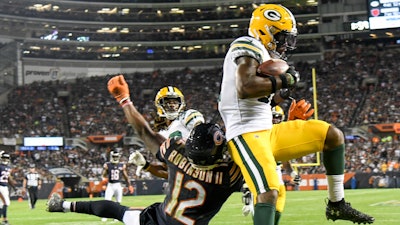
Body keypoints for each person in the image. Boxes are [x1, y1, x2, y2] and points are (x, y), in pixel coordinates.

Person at [218, 4, 374, 225]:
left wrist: (286, 105)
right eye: (282, 37)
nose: (284, 44)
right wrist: (285, 80)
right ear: (266, 30)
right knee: (271, 192)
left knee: (332, 135)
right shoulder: (247, 44)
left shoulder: (265, 56)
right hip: (245, 133)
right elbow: (246, 88)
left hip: (267, 131)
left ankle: (337, 205)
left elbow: (264, 99)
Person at [47, 123, 243, 225]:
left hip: (156, 220)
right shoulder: (228, 176)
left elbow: (147, 133)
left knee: (118, 210)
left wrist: (125, 100)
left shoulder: (176, 154)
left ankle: (63, 205)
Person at [241, 105, 302, 224]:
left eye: (278, 117)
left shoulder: (279, 136)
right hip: (263, 184)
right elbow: (249, 165)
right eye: (273, 117)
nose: (275, 120)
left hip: (278, 183)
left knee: (276, 218)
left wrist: (294, 174)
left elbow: (285, 163)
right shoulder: (257, 135)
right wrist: (247, 195)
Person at [101, 149, 133, 222]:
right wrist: (104, 176)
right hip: (110, 185)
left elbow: (126, 176)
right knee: (107, 201)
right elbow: (103, 175)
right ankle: (105, 215)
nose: (115, 158)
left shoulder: (122, 165)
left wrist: (129, 185)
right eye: (114, 156)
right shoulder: (108, 165)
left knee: (118, 202)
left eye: (116, 157)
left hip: (118, 185)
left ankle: (116, 216)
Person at [0, 152, 16, 225]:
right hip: (2, 187)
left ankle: (4, 220)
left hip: (4, 187)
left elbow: (9, 179)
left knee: (2, 205)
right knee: (5, 203)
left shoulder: (5, 167)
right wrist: (14, 188)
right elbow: (9, 179)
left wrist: (14, 188)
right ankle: (5, 220)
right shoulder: (8, 167)